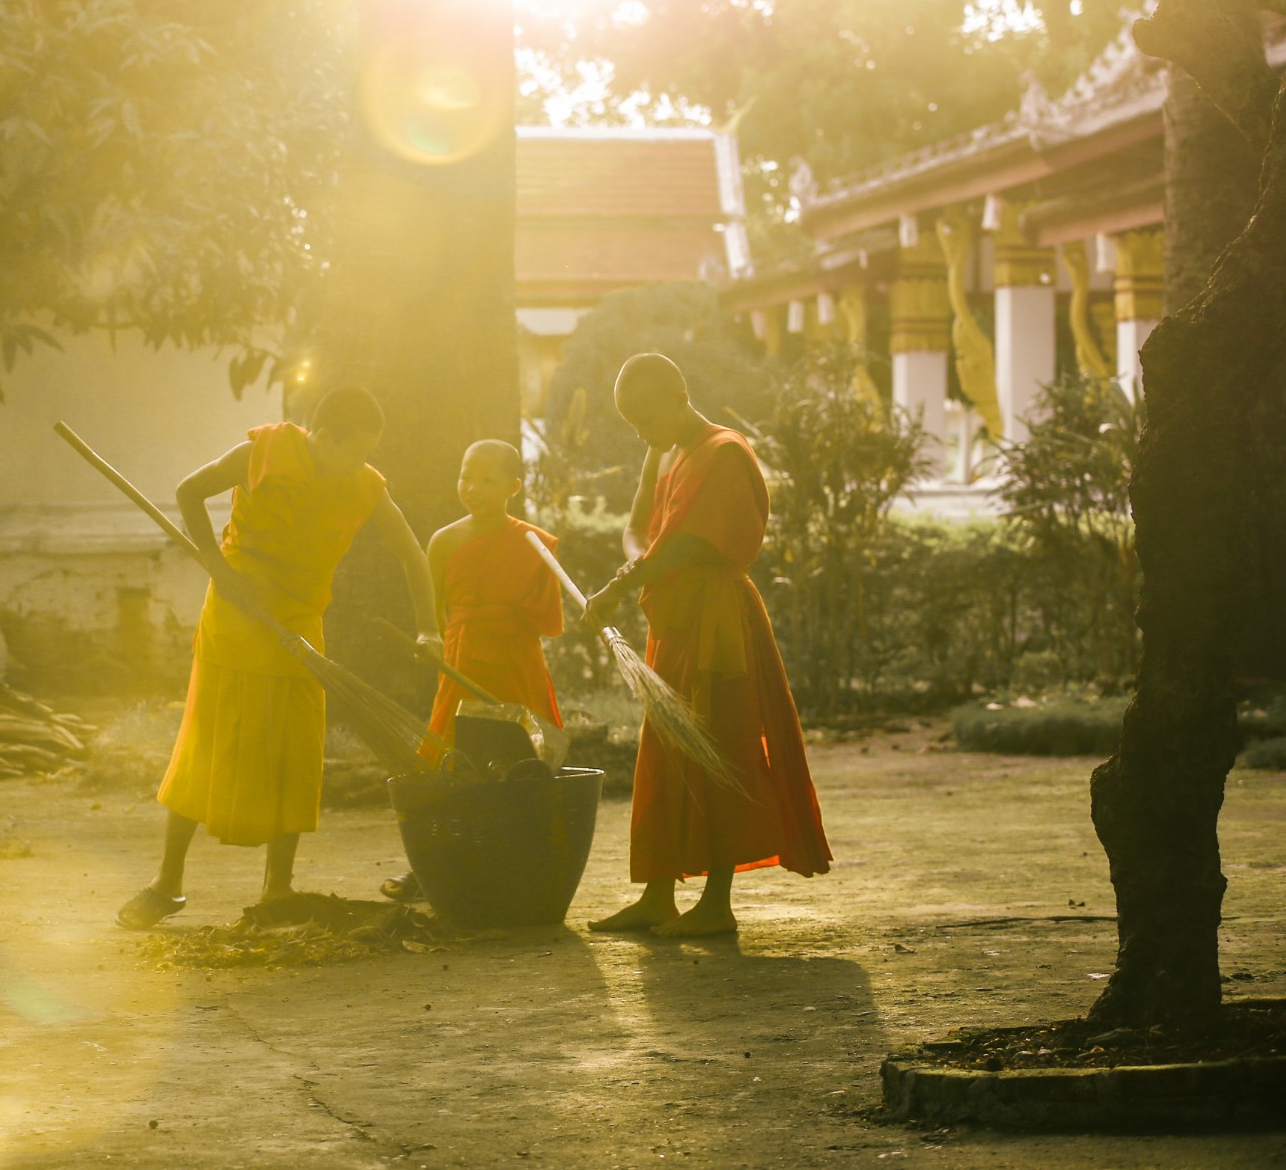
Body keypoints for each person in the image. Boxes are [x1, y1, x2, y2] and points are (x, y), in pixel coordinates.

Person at [117, 387, 439, 929]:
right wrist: (220, 569)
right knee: (206, 743)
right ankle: (167, 884)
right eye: (356, 450)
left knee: (294, 751)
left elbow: (411, 552)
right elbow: (188, 492)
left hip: (297, 628)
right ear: (326, 436)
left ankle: (278, 889)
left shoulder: (363, 483)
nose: (362, 462)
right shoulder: (259, 454)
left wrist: (429, 628)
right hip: (234, 620)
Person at [582, 355, 829, 936]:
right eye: (632, 423)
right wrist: (631, 560)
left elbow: (686, 546)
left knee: (722, 750)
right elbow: (644, 528)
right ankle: (659, 893)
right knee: (665, 753)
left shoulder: (721, 452)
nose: (642, 432)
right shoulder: (674, 450)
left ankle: (717, 905)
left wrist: (619, 585)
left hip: (717, 625)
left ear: (676, 396)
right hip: (676, 622)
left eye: (645, 417)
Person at [382, 439, 564, 902]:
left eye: (488, 479)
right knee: (446, 752)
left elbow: (548, 615)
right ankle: (428, 867)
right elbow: (434, 609)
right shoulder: (444, 539)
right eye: (466, 476)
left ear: (514, 487)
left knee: (521, 754)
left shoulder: (533, 543)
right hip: (462, 657)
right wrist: (436, 643)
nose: (473, 488)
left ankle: (527, 861)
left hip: (516, 658)